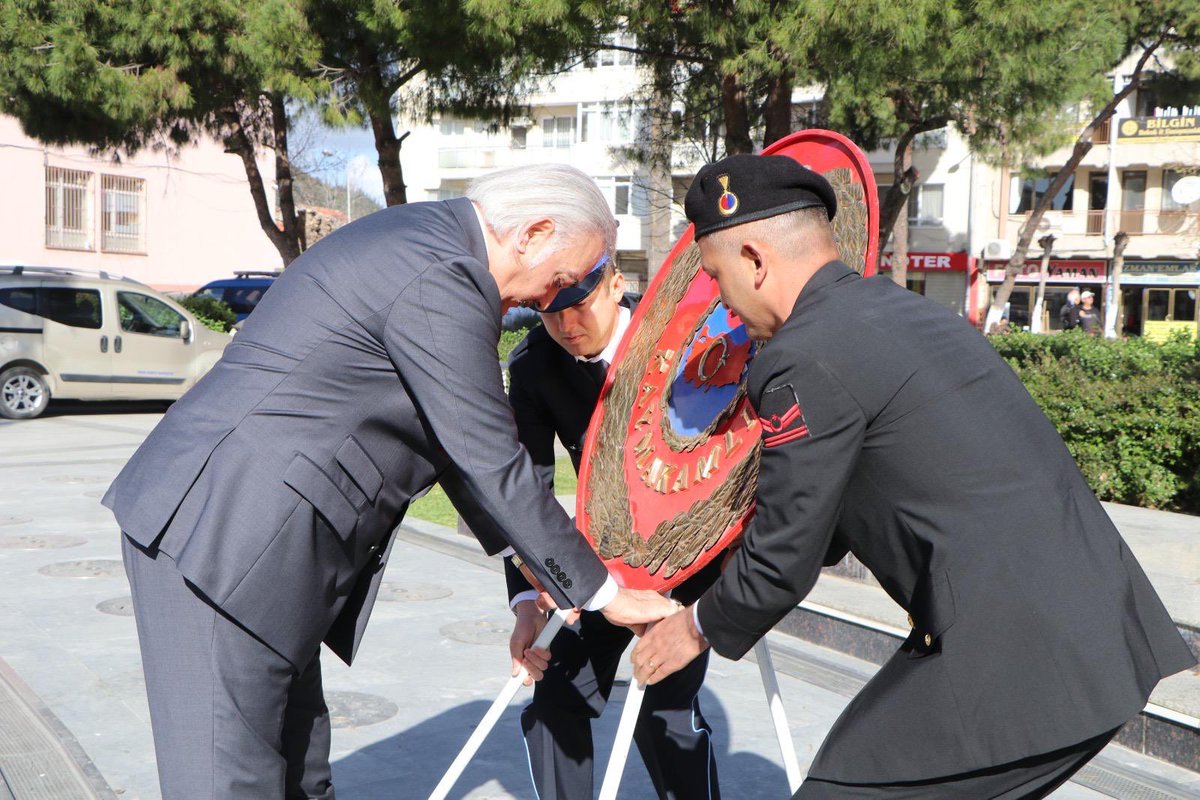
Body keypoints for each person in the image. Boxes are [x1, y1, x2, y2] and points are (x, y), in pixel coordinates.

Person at [631, 154, 1195, 798]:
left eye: (717, 276)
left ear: (755, 259)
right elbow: (838, 513)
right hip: (1091, 633)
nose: (723, 304)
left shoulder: (802, 357)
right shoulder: (901, 313)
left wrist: (694, 626)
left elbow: (784, 556)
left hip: (1017, 659)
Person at [104, 164, 675, 799]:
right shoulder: (443, 273)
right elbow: (486, 453)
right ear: (534, 234)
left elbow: (457, 447)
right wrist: (600, 591)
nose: (548, 302)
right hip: (222, 538)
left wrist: (534, 577)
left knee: (301, 776)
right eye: (559, 280)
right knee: (229, 783)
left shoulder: (430, 248)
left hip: (261, 551)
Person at [506, 258, 722, 799]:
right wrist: (529, 603)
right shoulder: (534, 366)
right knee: (553, 698)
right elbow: (522, 494)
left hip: (693, 553)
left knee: (663, 711)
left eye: (578, 305)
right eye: (547, 313)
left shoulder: (685, 336)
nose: (564, 326)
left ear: (617, 284)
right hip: (604, 563)